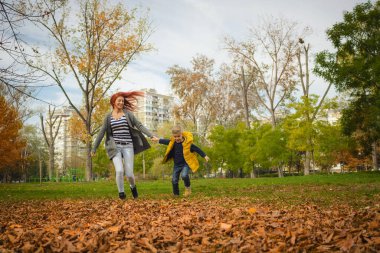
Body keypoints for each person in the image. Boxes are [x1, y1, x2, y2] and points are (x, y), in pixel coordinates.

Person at [91, 91, 159, 200]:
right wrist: (94, 148)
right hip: (115, 147)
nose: (121, 102)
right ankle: (121, 194)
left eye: (122, 101)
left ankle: (133, 187)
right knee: (119, 171)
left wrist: (151, 136)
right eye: (119, 100)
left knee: (129, 174)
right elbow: (101, 132)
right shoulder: (108, 117)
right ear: (114, 102)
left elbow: (139, 125)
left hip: (128, 146)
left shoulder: (128, 114)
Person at [154, 125, 209, 197]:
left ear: (181, 134)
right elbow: (166, 141)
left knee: (184, 175)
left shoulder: (188, 143)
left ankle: (188, 189)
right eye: (175, 137)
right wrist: (158, 140)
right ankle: (176, 194)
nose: (177, 138)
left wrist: (204, 156)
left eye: (178, 136)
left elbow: (197, 149)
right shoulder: (173, 142)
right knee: (174, 180)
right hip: (176, 165)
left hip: (185, 164)